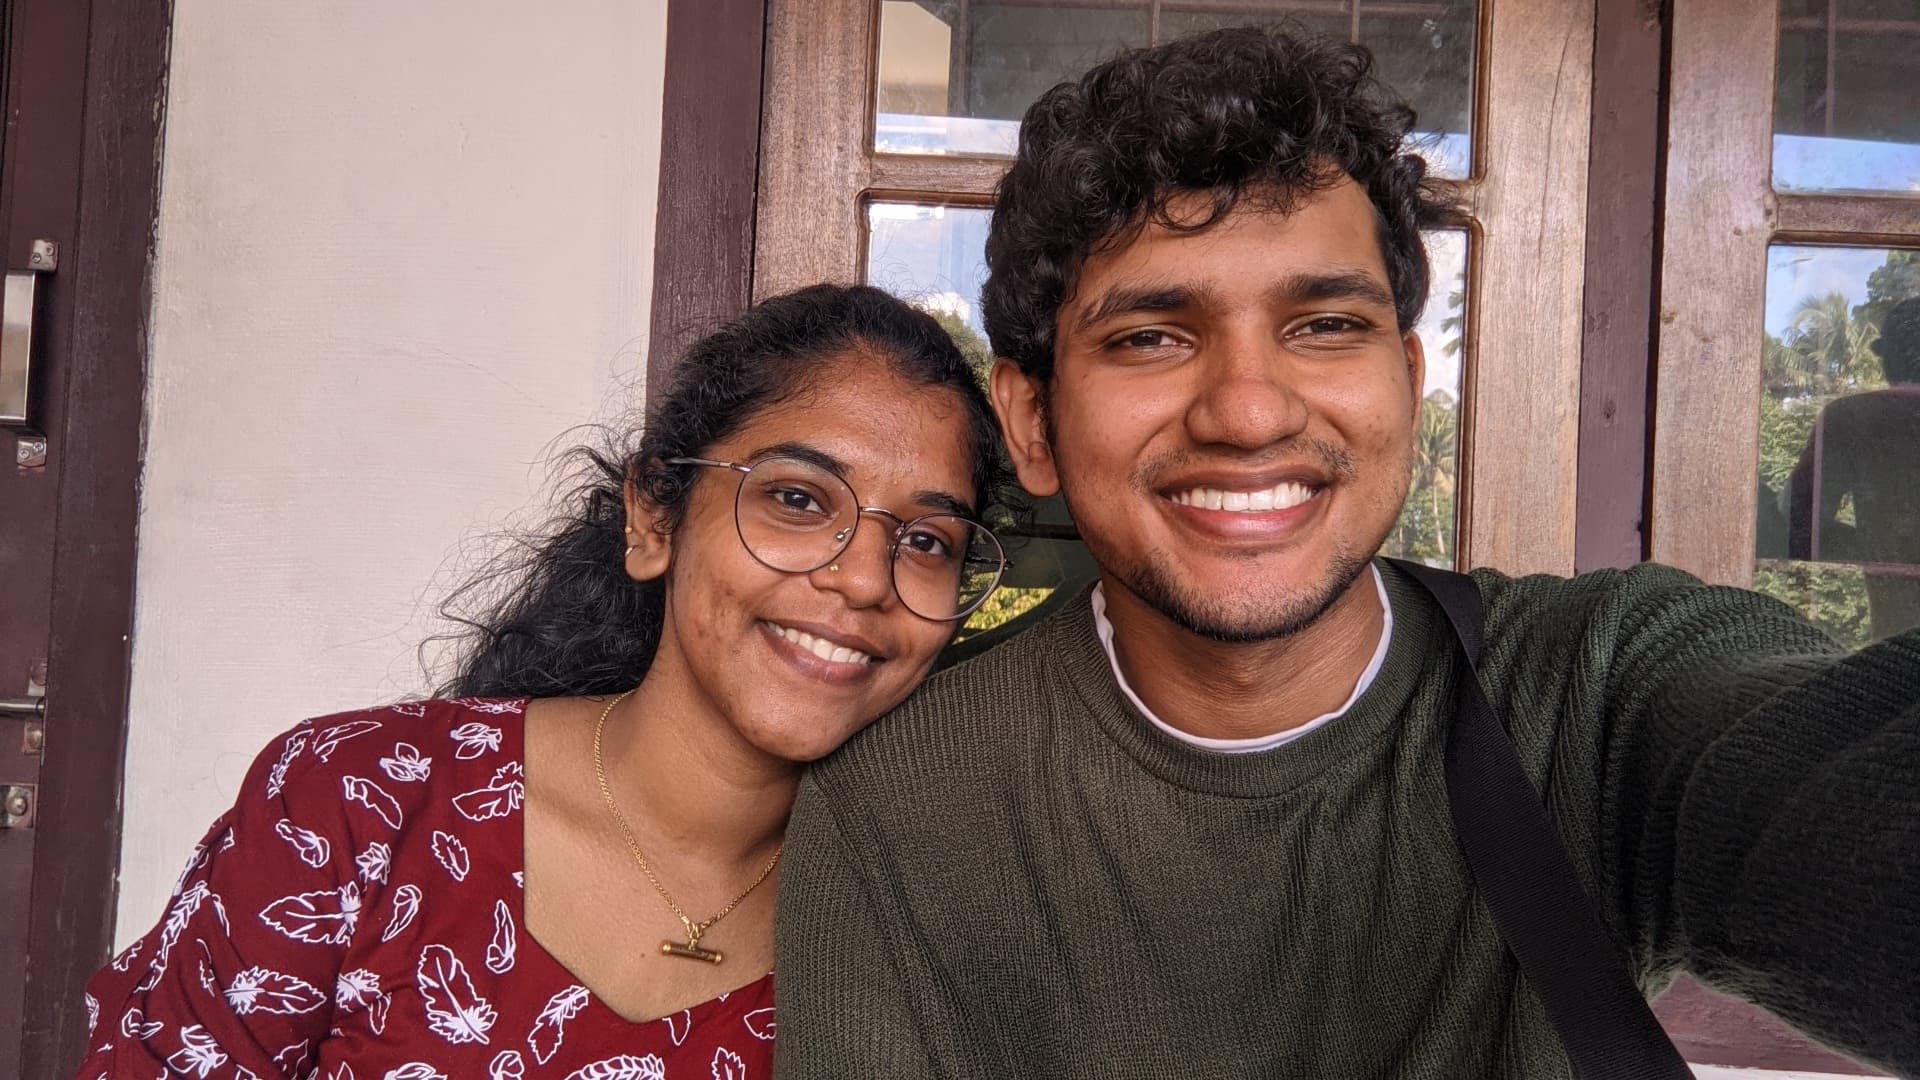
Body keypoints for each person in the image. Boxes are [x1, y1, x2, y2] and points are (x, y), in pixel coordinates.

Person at [773, 28, 1920, 1079]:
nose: (1249, 411)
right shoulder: (903, 804)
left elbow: (1823, 797)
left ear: (1408, 387)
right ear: (1031, 424)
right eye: (1151, 336)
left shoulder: (1599, 693)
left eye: (1325, 326)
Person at [76, 285, 1012, 1078]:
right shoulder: (359, 807)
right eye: (799, 499)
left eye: (926, 540)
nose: (861, 578)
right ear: (653, 517)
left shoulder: (919, 926)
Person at [1787, 295, 1920, 639]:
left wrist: (1883, 549)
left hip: (1894, 644)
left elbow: (1798, 527)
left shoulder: (1852, 418)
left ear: (1886, 357)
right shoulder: (1850, 418)